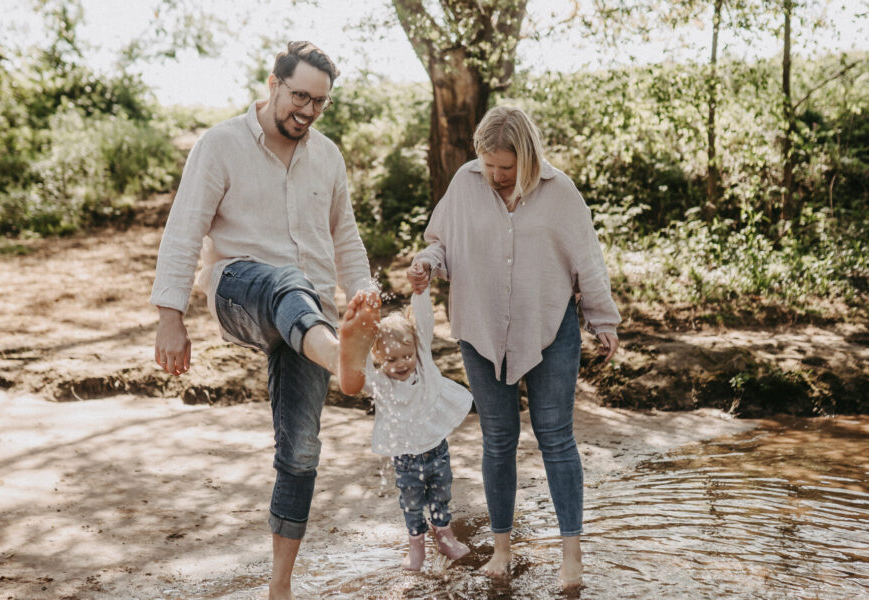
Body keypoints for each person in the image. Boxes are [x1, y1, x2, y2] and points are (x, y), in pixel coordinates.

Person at [149, 41, 380, 600]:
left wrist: (365, 295)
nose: (307, 109)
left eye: (319, 102)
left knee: (301, 450)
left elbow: (344, 238)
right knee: (285, 281)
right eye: (299, 95)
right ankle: (338, 356)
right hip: (241, 290)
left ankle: (279, 587)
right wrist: (169, 317)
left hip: (314, 320)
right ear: (273, 83)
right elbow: (184, 228)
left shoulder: (327, 156)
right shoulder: (221, 144)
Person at [406, 105, 621, 591]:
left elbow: (587, 258)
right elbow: (440, 242)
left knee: (556, 438)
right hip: (481, 328)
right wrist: (425, 262)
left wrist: (603, 319)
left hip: (549, 328)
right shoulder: (465, 183)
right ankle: (502, 551)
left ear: (527, 157)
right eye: (490, 166)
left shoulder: (560, 192)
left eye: (507, 167)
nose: (498, 176)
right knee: (497, 441)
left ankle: (572, 557)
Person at [363, 291, 473, 570]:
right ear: (378, 356)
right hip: (405, 458)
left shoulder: (424, 369)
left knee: (441, 495)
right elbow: (358, 361)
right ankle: (417, 546)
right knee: (411, 502)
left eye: (407, 356)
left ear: (416, 350)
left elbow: (424, 321)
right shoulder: (380, 384)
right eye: (391, 359)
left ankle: (445, 538)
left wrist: (420, 291)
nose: (401, 364)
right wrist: (362, 322)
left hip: (436, 449)